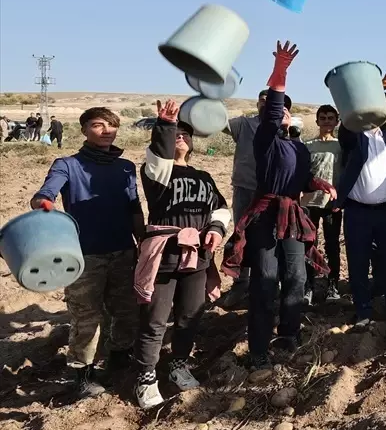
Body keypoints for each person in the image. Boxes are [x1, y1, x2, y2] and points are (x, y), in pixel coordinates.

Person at [221, 42, 335, 370]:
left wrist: (317, 184)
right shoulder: (266, 140)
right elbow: (271, 109)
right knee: (266, 279)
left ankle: (289, 332)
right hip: (267, 215)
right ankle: (258, 348)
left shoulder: (298, 148)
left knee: (297, 277)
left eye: (286, 108)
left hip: (293, 216)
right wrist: (281, 71)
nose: (281, 111)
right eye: (277, 109)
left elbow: (298, 181)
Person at [31, 106, 143, 398]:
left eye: (112, 125)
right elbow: (45, 194)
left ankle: (120, 358)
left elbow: (134, 207)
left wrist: (142, 241)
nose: (106, 130)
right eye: (97, 125)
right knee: (86, 318)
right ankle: (83, 376)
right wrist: (44, 204)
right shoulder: (67, 165)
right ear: (83, 130)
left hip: (123, 251)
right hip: (85, 256)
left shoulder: (126, 167)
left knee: (126, 311)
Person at [133, 99, 231, 408]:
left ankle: (178, 363)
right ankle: (146, 377)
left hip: (197, 257)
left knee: (190, 315)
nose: (181, 137)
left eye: (186, 134)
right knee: (156, 319)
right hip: (164, 256)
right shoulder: (156, 174)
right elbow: (159, 155)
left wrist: (215, 229)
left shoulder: (204, 176)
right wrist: (165, 125)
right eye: (176, 133)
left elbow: (221, 208)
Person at [338, 68, 386, 331]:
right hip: (357, 212)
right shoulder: (354, 138)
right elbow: (345, 130)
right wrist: (370, 93)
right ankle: (363, 311)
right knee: (358, 262)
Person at [223, 89, 284, 305]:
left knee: (271, 237)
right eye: (262, 100)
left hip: (272, 193)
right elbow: (216, 121)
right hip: (245, 188)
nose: (265, 103)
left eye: (270, 100)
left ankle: (270, 283)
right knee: (241, 235)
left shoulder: (283, 127)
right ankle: (240, 284)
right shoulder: (243, 124)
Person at [304, 104, 345, 303]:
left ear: (337, 121)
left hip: (332, 204)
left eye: (331, 118)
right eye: (323, 118)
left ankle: (333, 286)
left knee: (332, 246)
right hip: (309, 202)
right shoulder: (308, 145)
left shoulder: (341, 146)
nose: (327, 121)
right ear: (317, 120)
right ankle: (308, 287)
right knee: (309, 245)